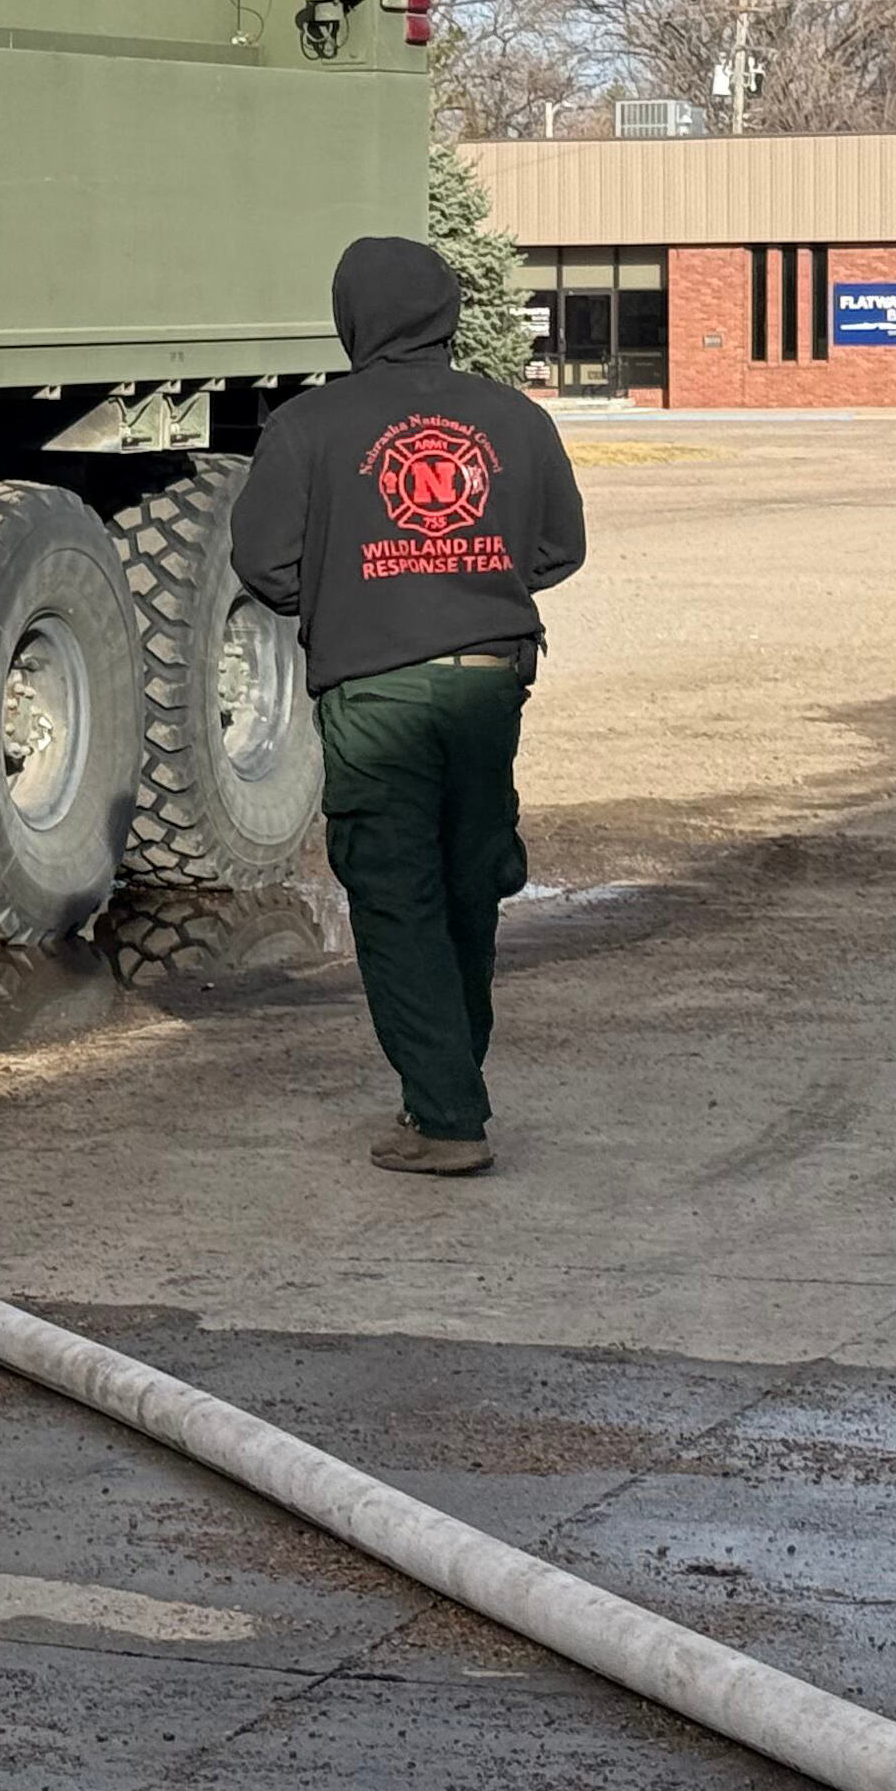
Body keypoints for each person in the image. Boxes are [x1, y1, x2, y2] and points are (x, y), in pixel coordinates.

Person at [231, 234, 586, 1176]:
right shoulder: (513, 418)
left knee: (395, 895)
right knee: (469, 885)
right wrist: (467, 576)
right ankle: (446, 1087)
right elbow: (558, 549)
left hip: (374, 691)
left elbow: (264, 566)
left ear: (352, 316)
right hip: (487, 685)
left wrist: (362, 589)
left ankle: (445, 1119)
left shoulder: (308, 427)